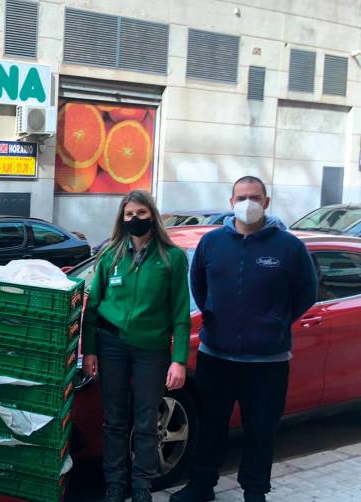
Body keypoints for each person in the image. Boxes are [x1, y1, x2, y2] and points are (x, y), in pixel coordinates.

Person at [172, 177, 317, 502]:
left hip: (268, 363)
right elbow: (199, 287)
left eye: (254, 197)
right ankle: (201, 486)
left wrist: (276, 321)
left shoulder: (289, 247)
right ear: (231, 201)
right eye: (241, 197)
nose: (247, 203)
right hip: (216, 357)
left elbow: (306, 292)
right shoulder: (212, 244)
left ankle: (254, 491)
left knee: (261, 431)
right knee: (211, 427)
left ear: (266, 202)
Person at [82, 190, 191, 502]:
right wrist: (90, 349)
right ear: (122, 218)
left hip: (152, 349)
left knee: (146, 421)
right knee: (114, 419)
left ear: (152, 216)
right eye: (129, 215)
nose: (135, 219)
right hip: (111, 344)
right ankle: (115, 483)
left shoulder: (172, 259)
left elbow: (180, 313)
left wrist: (179, 359)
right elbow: (92, 306)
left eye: (141, 213)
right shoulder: (110, 255)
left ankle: (141, 486)